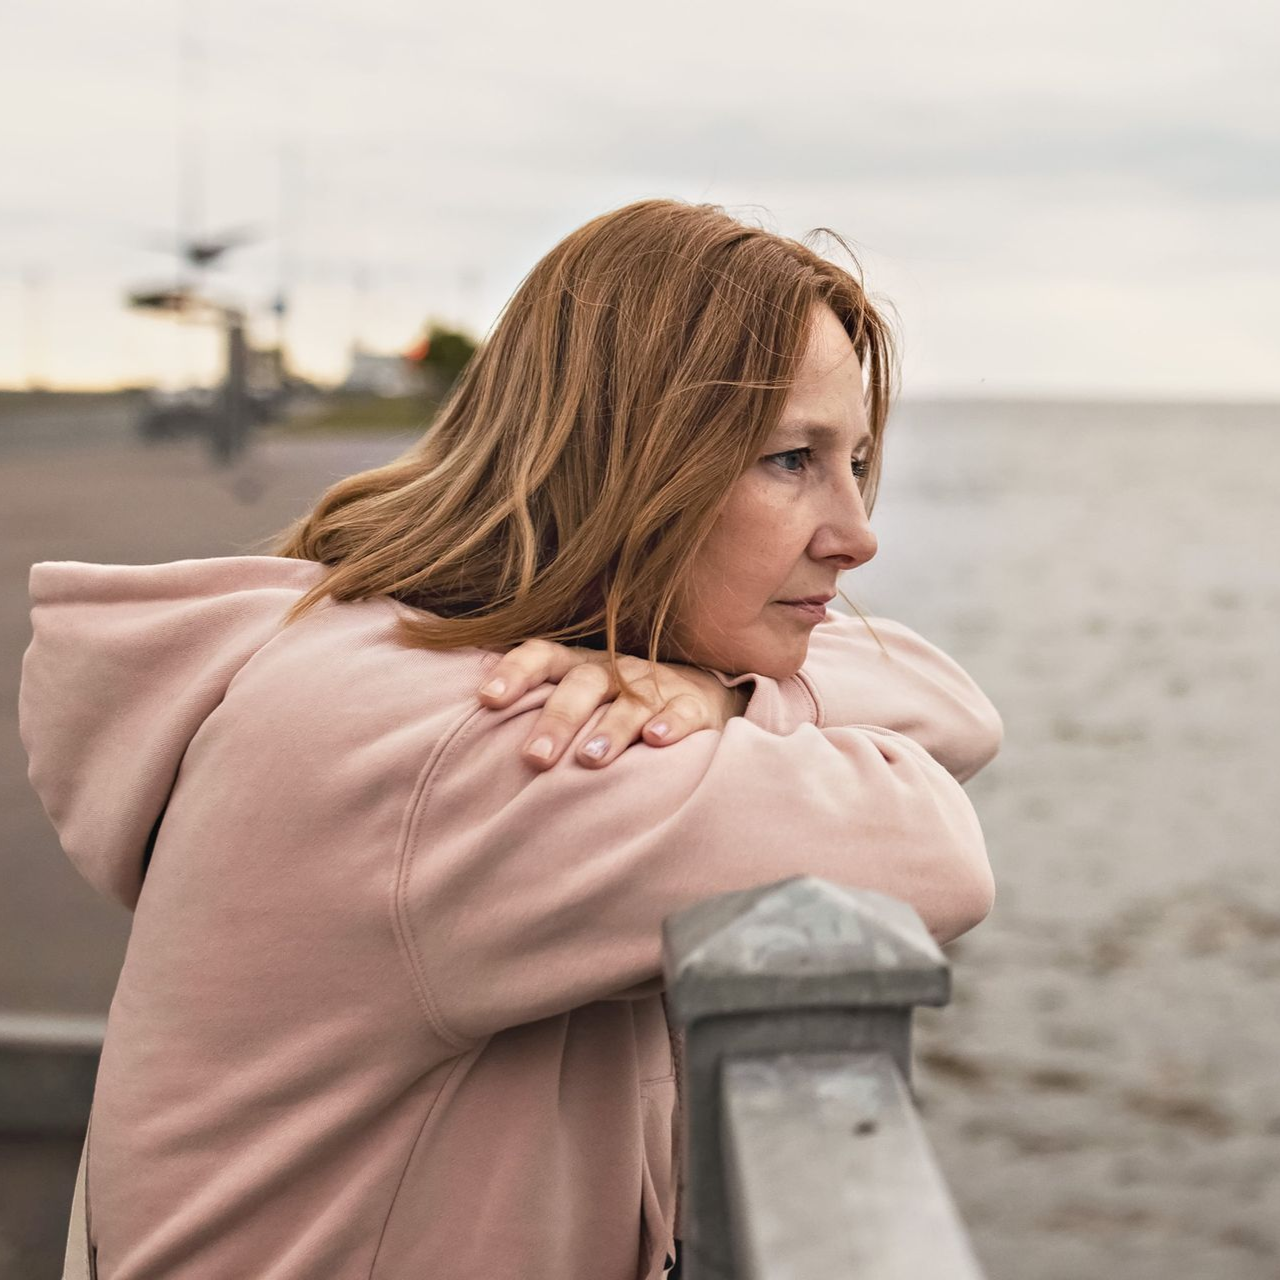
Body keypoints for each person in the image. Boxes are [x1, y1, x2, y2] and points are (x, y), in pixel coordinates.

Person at [19, 198, 1003, 1280]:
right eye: (788, 459)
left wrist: (714, 694)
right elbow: (934, 851)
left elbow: (945, 697)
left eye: (854, 460)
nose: (857, 534)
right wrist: (731, 695)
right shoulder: (476, 747)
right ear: (625, 460)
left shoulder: (374, 649)